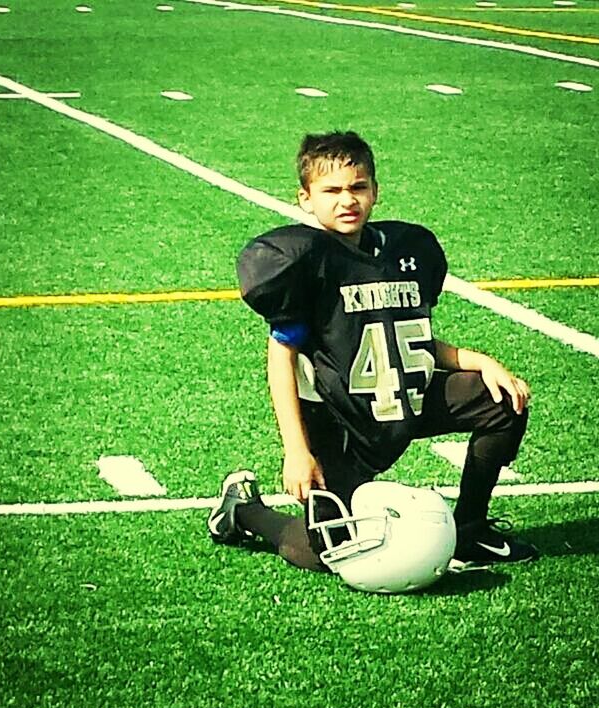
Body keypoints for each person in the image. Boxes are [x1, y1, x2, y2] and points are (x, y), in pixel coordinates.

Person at [208, 130, 537, 572]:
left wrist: (480, 362)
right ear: (305, 199)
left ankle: (471, 530)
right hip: (338, 420)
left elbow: (404, 340)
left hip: (401, 398)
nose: (347, 200)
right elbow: (281, 357)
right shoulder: (303, 260)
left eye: (358, 187)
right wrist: (296, 448)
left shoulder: (405, 251)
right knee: (327, 551)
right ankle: (244, 511)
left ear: (375, 191)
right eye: (332, 191)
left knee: (502, 401)